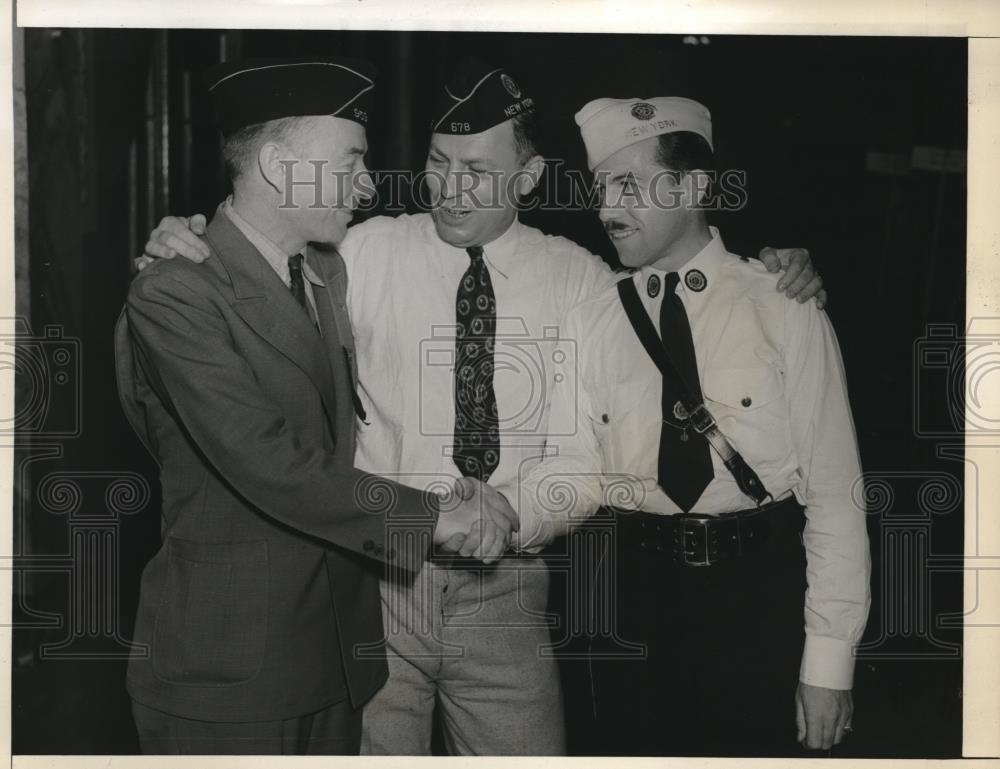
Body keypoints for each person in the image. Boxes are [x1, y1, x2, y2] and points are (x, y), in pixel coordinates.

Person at [140, 60, 826, 755]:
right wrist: (179, 241)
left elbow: (593, 441)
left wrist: (778, 274)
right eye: (439, 161)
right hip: (375, 587)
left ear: (527, 179)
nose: (450, 187)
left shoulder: (583, 282)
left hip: (509, 590)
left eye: (477, 168)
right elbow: (254, 265)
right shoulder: (356, 252)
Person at [115, 57, 514, 756]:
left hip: (331, 655)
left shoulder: (326, 269)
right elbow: (269, 462)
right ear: (276, 164)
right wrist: (432, 519)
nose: (368, 183)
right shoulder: (176, 291)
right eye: (351, 160)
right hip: (228, 668)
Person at [504, 95, 870, 756]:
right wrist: (503, 516)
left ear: (694, 185)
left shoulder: (783, 307)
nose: (607, 207)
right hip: (628, 597)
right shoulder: (593, 320)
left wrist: (828, 666)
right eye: (599, 187)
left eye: (629, 184)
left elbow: (837, 498)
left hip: (756, 595)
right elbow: (572, 470)